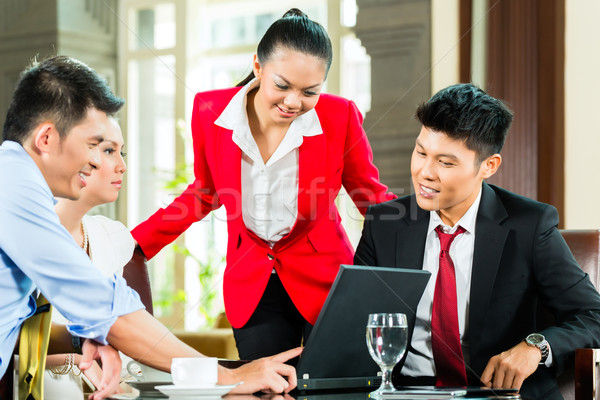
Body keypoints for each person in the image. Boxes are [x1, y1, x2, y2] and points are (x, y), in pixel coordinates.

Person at [0, 55, 301, 400]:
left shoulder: (18, 182)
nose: (97, 161)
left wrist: (90, 336)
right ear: (47, 138)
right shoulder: (11, 183)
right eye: (93, 145)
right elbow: (104, 307)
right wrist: (223, 377)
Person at [131, 8, 396, 361]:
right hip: (252, 281)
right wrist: (135, 244)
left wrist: (423, 230)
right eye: (282, 86)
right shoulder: (210, 111)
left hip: (327, 281)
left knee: (331, 387)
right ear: (258, 66)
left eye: (309, 92)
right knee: (264, 387)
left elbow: (369, 193)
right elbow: (204, 192)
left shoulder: (339, 116)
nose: (293, 102)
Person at [353, 83, 600, 400]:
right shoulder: (384, 224)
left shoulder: (530, 225)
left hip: (499, 393)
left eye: (446, 162)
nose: (425, 173)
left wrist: (536, 346)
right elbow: (354, 322)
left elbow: (593, 316)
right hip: (408, 392)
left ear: (488, 166)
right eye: (421, 152)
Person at [43, 114, 133, 398]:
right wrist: (76, 360)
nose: (123, 166)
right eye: (108, 151)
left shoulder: (112, 238)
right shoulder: (23, 232)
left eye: (122, 152)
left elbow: (124, 329)